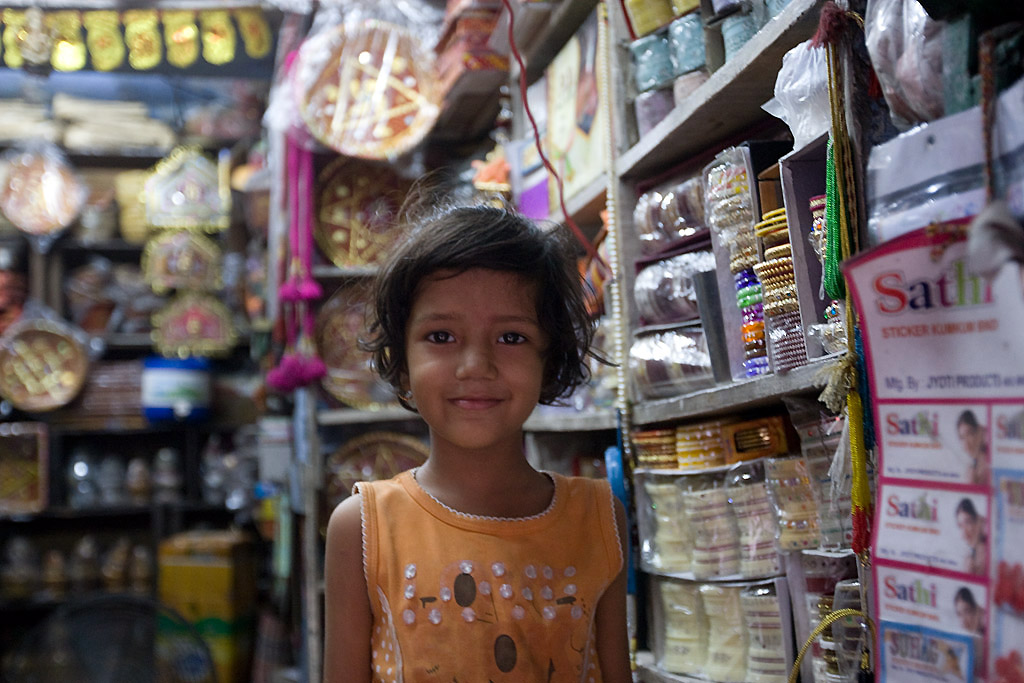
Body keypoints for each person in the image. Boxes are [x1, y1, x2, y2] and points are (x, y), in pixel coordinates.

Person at [323, 202, 632, 683]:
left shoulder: (599, 518)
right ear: (401, 363)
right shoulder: (363, 529)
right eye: (441, 336)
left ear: (549, 360)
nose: (475, 366)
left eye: (511, 337)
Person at [956, 410, 990, 487]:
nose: (966, 443)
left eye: (969, 434)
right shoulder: (971, 467)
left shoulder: (987, 462)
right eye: (962, 437)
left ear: (978, 432)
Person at [955, 497, 988, 576]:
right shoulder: (969, 552)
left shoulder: (983, 549)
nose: (964, 533)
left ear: (977, 521)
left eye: (967, 522)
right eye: (960, 526)